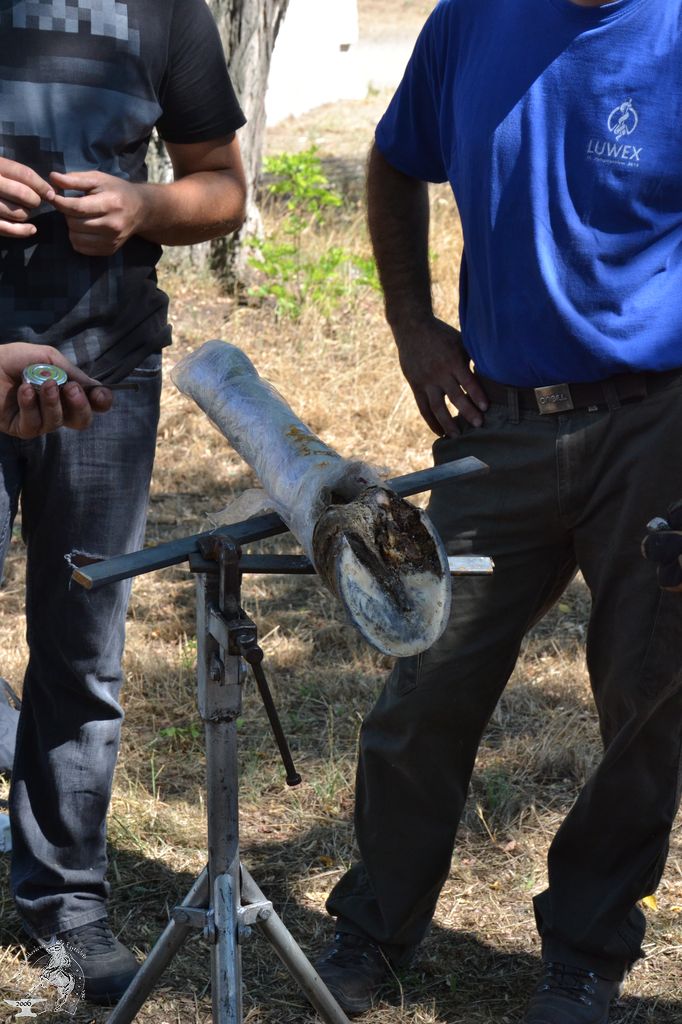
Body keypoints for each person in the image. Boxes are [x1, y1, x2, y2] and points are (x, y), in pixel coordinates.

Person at [315, 1, 682, 1022]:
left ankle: (586, 949)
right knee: (426, 672)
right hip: (500, 425)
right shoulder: (471, 20)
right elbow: (396, 161)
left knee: (646, 697)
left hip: (658, 424)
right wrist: (411, 325)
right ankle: (375, 925)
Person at [0, 0, 246, 1005]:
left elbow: (222, 187)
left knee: (82, 649)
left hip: (105, 372)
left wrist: (144, 207)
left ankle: (66, 905)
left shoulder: (168, 11)